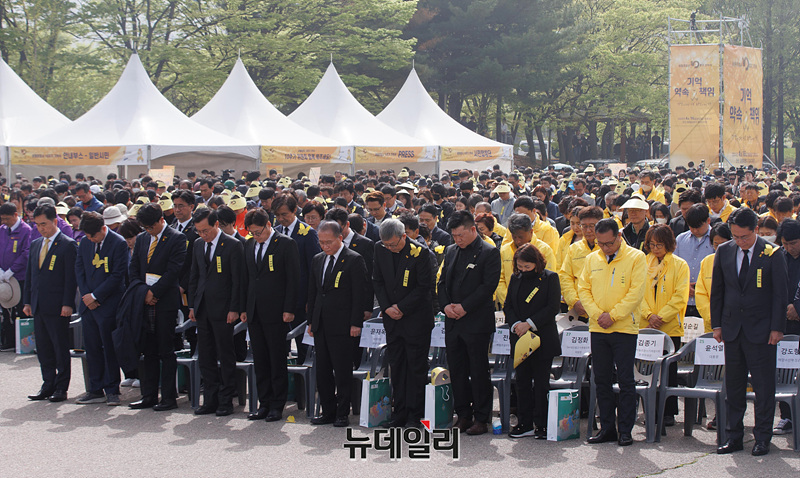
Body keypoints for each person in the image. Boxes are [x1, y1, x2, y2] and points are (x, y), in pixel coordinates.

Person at [711, 207, 788, 456]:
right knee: (734, 386)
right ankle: (733, 436)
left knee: (763, 387)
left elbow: (780, 294)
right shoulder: (724, 251)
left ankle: (762, 437)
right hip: (732, 328)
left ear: (755, 229)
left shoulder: (772, 252)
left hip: (762, 330)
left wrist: (777, 328)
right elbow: (718, 290)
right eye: (735, 236)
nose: (740, 241)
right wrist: (717, 325)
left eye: (744, 236)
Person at [578, 218, 646, 447]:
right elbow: (583, 289)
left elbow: (636, 292)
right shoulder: (592, 259)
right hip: (598, 327)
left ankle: (625, 430)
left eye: (609, 243)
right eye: (600, 243)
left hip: (624, 328)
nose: (605, 248)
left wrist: (614, 315)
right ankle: (607, 428)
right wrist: (597, 314)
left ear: (618, 236)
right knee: (602, 379)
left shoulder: (636, 257)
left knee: (626, 380)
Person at [437, 211, 501, 435]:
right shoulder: (451, 250)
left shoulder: (489, 252)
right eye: (454, 236)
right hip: (453, 320)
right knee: (457, 369)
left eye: (461, 235)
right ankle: (463, 414)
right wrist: (445, 306)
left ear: (473, 229)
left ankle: (481, 418)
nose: (457, 239)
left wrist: (465, 307)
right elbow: (442, 282)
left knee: (478, 370)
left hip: (476, 321)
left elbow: (488, 286)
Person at [373, 218, 436, 428]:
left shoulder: (420, 252)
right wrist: (387, 307)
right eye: (386, 245)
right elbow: (377, 281)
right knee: (397, 367)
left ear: (403, 236)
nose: (390, 248)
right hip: (392, 319)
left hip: (415, 319)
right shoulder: (380, 249)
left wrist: (401, 307)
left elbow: (424, 287)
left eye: (393, 244)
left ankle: (415, 415)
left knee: (415, 368)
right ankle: (399, 413)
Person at [240, 208, 300, 421]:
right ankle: (263, 403)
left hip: (276, 310)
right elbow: (246, 278)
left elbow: (293, 278)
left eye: (258, 232)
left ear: (268, 225)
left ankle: (277, 404)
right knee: (260, 359)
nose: (256, 236)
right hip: (254, 310)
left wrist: (289, 308)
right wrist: (244, 308)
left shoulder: (285, 244)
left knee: (276, 359)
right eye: (252, 233)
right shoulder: (249, 245)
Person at [307, 220, 368, 427]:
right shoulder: (318, 259)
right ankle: (328, 411)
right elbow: (313, 292)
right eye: (321, 242)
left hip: (343, 324)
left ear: (340, 238)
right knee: (322, 370)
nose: (325, 246)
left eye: (329, 242)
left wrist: (356, 322)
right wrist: (311, 321)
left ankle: (342, 412)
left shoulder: (353, 259)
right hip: (321, 323)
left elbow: (359, 294)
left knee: (342, 370)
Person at [128, 203, 187, 411]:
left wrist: (155, 293)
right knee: (148, 350)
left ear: (161, 220)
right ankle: (149, 395)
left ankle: (169, 397)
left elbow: (174, 270)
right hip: (144, 301)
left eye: (151, 227)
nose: (148, 231)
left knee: (166, 350)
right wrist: (143, 292)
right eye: (145, 228)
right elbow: (134, 268)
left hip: (165, 302)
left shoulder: (177, 238)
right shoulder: (142, 239)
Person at [187, 207, 244, 417]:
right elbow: (195, 275)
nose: (203, 235)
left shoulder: (232, 245)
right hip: (203, 308)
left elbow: (238, 280)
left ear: (216, 225)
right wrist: (192, 305)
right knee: (206, 355)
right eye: (199, 231)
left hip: (224, 308)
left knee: (225, 354)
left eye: (206, 230)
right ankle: (209, 399)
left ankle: (226, 399)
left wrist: (234, 308)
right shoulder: (197, 245)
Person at [505, 243, 561, 439]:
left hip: (542, 336)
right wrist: (516, 324)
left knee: (541, 383)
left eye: (527, 267)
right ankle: (524, 422)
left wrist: (529, 323)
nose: (523, 270)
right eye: (520, 267)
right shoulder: (516, 278)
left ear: (536, 263)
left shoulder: (550, 278)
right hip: (520, 338)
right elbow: (508, 305)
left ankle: (542, 424)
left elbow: (553, 307)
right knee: (521, 382)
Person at [23, 204, 78, 402]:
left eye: (44, 224)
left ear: (55, 221)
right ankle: (47, 384)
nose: (41, 228)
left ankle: (61, 387)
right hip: (38, 304)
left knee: (59, 347)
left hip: (58, 305)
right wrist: (27, 301)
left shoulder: (67, 245)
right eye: (37, 225)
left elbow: (70, 278)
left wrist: (67, 303)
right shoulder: (36, 244)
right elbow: (31, 276)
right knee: (44, 348)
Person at [74, 211, 129, 406]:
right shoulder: (85, 242)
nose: (90, 239)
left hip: (108, 304)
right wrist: (87, 296)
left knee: (109, 348)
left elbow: (118, 275)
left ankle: (112, 389)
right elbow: (80, 269)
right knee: (92, 348)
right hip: (88, 305)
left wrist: (96, 296)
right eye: (87, 236)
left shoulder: (118, 243)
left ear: (103, 229)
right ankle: (95, 388)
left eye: (93, 236)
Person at [641, 224, 690, 429]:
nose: (655, 249)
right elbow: (637, 293)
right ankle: (649, 409)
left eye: (659, 245)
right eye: (652, 245)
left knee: (668, 370)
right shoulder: (642, 262)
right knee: (647, 369)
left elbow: (680, 296)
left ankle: (668, 412)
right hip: (646, 324)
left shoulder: (679, 265)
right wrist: (648, 315)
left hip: (669, 326)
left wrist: (660, 317)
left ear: (668, 244)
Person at [273, 194, 321, 363]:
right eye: (277, 215)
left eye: (284, 214)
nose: (281, 219)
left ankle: (305, 376)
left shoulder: (307, 233)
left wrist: (311, 299)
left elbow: (314, 268)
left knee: (303, 345)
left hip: (301, 298)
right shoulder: (275, 232)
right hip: (280, 297)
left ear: (294, 211)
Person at [496, 213, 556, 307]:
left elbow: (547, 281)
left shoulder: (544, 250)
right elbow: (500, 278)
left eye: (521, 237)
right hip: (511, 304)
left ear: (531, 232)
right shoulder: (505, 250)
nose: (518, 241)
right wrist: (509, 301)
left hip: (537, 305)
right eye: (514, 237)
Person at [776, 219, 800, 435]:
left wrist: (797, 308)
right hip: (783, 322)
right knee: (784, 369)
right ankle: (787, 416)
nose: (789, 247)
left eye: (793, 243)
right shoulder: (779, 257)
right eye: (785, 243)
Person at [559, 206, 603, 322]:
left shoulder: (608, 247)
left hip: (603, 312)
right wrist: (574, 301)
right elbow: (565, 276)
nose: (588, 230)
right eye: (584, 226)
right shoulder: (574, 249)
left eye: (592, 226)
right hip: (579, 311)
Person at [0, 202, 32, 351]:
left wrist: (12, 270)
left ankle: (22, 342)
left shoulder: (26, 230)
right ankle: (9, 340)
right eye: (2, 219)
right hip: (3, 278)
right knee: (6, 308)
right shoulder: (2, 230)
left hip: (19, 277)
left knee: (20, 309)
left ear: (15, 215)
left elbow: (26, 253)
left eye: (7, 218)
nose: (5, 222)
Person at [674, 204, 714, 318]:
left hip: (707, 302)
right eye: (692, 227)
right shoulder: (680, 239)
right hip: (683, 300)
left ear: (708, 221)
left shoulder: (716, 240)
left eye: (699, 227)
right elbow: (674, 268)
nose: (695, 230)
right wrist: (686, 286)